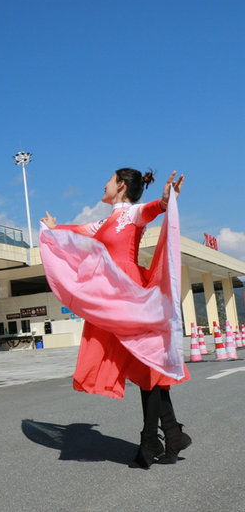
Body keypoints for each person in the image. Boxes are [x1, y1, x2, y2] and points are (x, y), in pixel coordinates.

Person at [39, 168, 191, 469]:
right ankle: (171, 435)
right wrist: (55, 228)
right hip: (113, 299)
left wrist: (165, 201)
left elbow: (153, 209)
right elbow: (78, 230)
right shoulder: (105, 222)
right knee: (146, 367)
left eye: (109, 180)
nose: (104, 184)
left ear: (120, 185)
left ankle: (153, 441)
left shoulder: (132, 213)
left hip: (131, 296)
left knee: (147, 366)